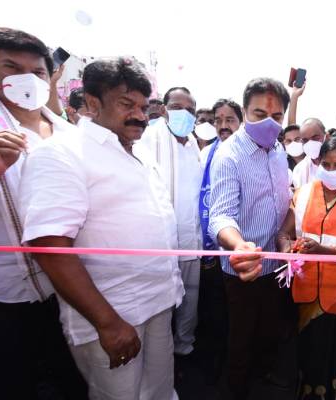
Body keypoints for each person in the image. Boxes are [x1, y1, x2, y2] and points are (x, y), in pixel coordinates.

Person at [19, 57, 183, 400]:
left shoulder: (139, 154)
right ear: (92, 103)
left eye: (143, 105)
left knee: (160, 393)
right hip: (112, 315)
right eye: (126, 104)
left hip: (158, 302)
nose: (139, 114)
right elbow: (49, 245)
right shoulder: (62, 154)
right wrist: (108, 323)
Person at [0, 26, 87, 400]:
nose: (26, 79)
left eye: (38, 72)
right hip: (5, 299)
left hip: (67, 291)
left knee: (74, 382)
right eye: (11, 68)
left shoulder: (68, 133)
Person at [208, 77, 295, 400]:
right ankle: (236, 389)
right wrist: (239, 246)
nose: (268, 123)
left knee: (269, 331)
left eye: (276, 116)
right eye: (259, 114)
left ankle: (263, 378)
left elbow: (285, 200)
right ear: (244, 112)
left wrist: (285, 234)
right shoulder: (229, 156)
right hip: (243, 268)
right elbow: (220, 215)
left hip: (275, 264)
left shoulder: (279, 150)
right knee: (241, 337)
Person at [277, 137, 336, 399]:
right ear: (317, 162)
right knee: (306, 351)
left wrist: (321, 251)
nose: (331, 170)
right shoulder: (303, 193)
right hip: (305, 287)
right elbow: (284, 233)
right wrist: (287, 250)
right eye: (326, 164)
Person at [138, 86, 203, 359]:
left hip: (191, 239)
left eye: (190, 109)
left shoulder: (194, 145)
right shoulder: (147, 138)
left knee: (190, 299)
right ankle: (161, 356)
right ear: (164, 109)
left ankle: (184, 348)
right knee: (161, 303)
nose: (184, 114)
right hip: (159, 242)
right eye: (178, 107)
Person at [197, 97, 243, 384]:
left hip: (240, 251)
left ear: (241, 123)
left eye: (230, 120)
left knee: (235, 319)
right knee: (212, 312)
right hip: (209, 250)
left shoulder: (247, 154)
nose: (223, 126)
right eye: (218, 121)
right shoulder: (206, 154)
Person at [293, 117, 336, 189]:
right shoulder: (299, 170)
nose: (310, 143)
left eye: (315, 138)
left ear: (327, 137)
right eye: (305, 140)